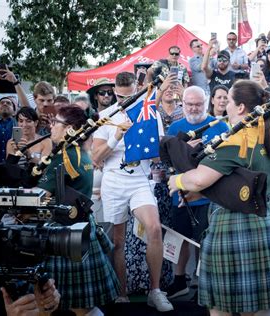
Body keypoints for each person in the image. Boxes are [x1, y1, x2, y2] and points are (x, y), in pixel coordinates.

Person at [168, 80, 270, 314]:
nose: (224, 105)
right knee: (261, 307)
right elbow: (235, 181)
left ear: (240, 107)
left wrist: (177, 181)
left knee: (221, 308)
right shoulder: (262, 132)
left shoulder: (236, 141)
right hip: (265, 220)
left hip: (236, 225)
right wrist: (197, 192)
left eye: (228, 101)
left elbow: (199, 178)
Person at [92, 72, 173, 311]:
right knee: (118, 241)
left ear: (137, 90)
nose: (122, 102)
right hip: (114, 181)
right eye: (119, 97)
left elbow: (158, 153)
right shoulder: (106, 116)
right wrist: (117, 135)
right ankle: (122, 293)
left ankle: (155, 291)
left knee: (155, 228)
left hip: (139, 180)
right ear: (114, 92)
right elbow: (96, 158)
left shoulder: (149, 112)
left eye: (128, 97)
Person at [38, 106, 120, 315]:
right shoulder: (81, 153)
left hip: (64, 233)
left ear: (70, 129)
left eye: (56, 122)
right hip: (81, 229)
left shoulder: (63, 157)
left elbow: (40, 196)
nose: (51, 126)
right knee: (83, 306)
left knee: (45, 303)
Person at [165, 86, 229, 299]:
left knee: (205, 241)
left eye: (198, 104)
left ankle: (202, 282)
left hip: (209, 195)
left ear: (207, 102)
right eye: (189, 104)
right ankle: (180, 279)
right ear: (182, 103)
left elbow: (225, 162)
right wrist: (183, 149)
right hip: (180, 194)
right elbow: (165, 160)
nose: (193, 108)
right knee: (179, 237)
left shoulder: (219, 125)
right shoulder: (175, 127)